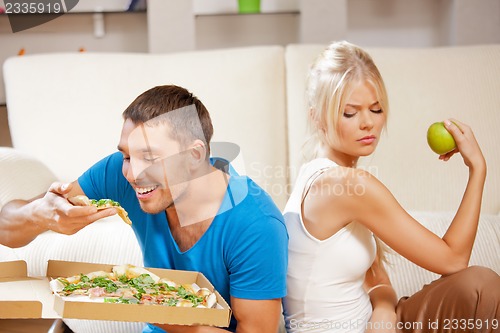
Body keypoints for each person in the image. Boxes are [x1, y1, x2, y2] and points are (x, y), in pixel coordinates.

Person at [0, 85, 288, 333]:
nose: (133, 174)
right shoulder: (120, 171)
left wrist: (149, 306)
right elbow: (6, 227)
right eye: (127, 156)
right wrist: (40, 215)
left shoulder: (256, 225)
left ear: (195, 155)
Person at [282, 41, 500, 333]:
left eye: (376, 109)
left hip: (374, 324)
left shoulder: (320, 177)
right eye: (350, 112)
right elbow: (453, 259)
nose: (367, 123)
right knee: (480, 288)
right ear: (317, 117)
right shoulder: (346, 186)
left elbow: (375, 276)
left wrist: (384, 311)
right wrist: (478, 170)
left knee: (478, 289)